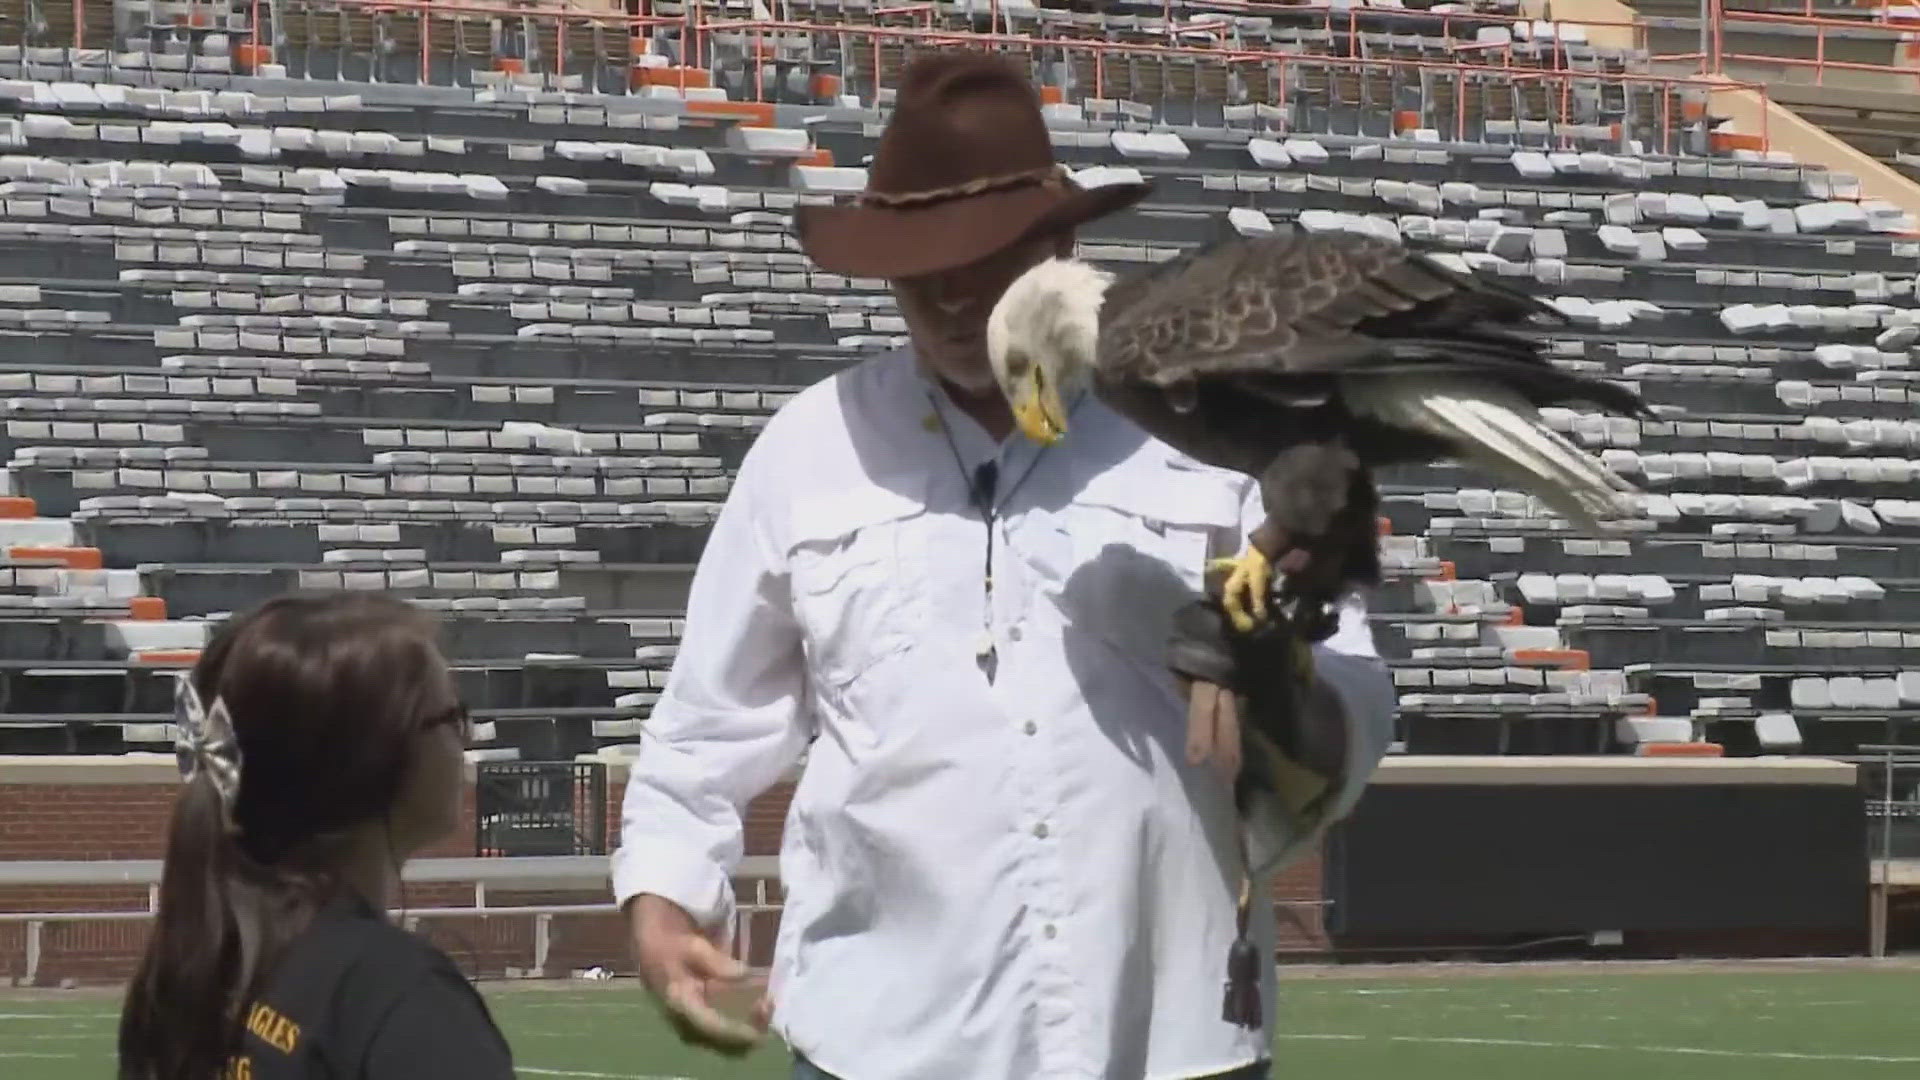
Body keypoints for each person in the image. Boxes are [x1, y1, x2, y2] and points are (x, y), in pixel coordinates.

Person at [613, 52, 1397, 1080]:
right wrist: (664, 901)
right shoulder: (808, 451)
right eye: (918, 272)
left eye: (980, 267)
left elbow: (1352, 703)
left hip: (1169, 1033)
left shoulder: (1216, 424)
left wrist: (1281, 690)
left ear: (1059, 246)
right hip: (880, 1039)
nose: (946, 300)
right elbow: (704, 730)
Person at [118, 591, 516, 1080]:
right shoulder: (393, 996)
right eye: (451, 718)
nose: (466, 740)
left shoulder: (189, 977)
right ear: (373, 760)